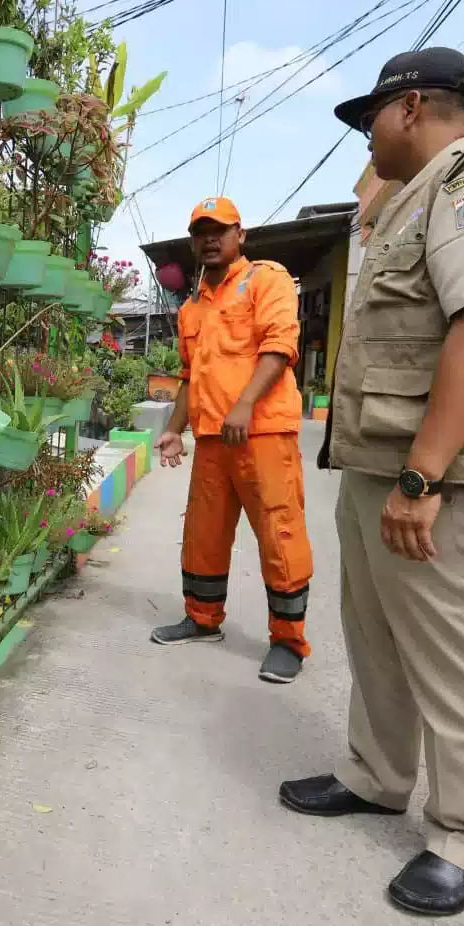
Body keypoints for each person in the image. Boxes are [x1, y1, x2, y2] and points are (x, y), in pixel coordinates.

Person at [278, 48, 464, 915]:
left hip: (434, 474)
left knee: (451, 654)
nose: (366, 137)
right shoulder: (408, 203)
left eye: (371, 118)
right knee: (375, 636)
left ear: (408, 108)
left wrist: (423, 476)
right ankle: (376, 774)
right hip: (379, 465)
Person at [149, 197, 315, 684]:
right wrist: (174, 430)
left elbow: (280, 346)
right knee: (204, 534)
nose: (210, 239)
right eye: (201, 231)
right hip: (211, 441)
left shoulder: (267, 279)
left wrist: (244, 404)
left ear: (240, 234)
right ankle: (202, 620)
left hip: (262, 434)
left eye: (219, 229)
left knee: (279, 535)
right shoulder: (192, 307)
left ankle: (288, 640)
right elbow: (188, 376)